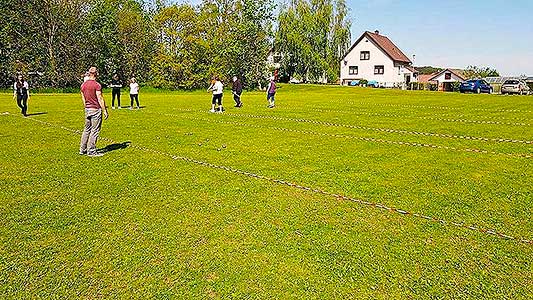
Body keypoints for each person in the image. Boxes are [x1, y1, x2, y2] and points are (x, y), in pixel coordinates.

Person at [80, 67, 108, 157]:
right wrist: (104, 110)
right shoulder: (97, 85)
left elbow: (83, 98)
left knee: (86, 129)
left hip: (87, 109)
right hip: (95, 109)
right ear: (96, 74)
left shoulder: (83, 85)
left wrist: (86, 107)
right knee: (95, 130)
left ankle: (82, 149)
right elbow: (99, 98)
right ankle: (91, 151)